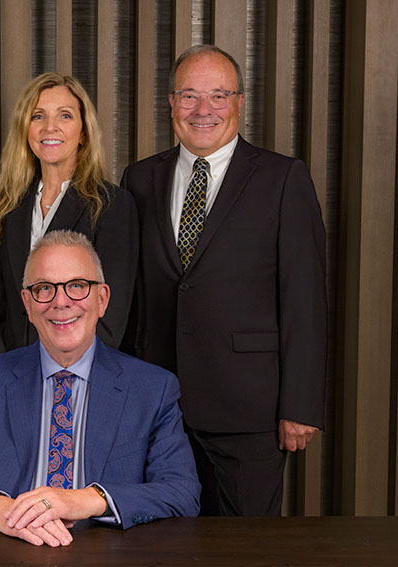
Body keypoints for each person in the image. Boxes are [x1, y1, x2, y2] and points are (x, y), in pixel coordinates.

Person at [119, 45, 326, 516]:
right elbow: (132, 297)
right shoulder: (140, 180)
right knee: (162, 541)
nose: (203, 110)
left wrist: (301, 404)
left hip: (249, 409)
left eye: (218, 95)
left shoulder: (282, 178)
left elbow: (305, 300)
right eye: (189, 96)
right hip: (157, 404)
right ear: (171, 103)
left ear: (239, 102)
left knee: (246, 547)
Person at [0, 230, 199, 547]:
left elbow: (182, 492)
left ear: (102, 298)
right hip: (6, 550)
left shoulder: (153, 388)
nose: (61, 302)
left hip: (108, 555)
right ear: (27, 303)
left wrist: (87, 500)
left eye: (77, 286)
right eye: (44, 289)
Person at [0, 73, 138, 359]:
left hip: (81, 378)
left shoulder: (112, 205)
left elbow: (111, 316)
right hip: (12, 375)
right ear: (26, 129)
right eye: (38, 116)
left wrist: (62, 372)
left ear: (83, 132)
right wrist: (4, 369)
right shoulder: (7, 205)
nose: (50, 127)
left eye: (65, 116)